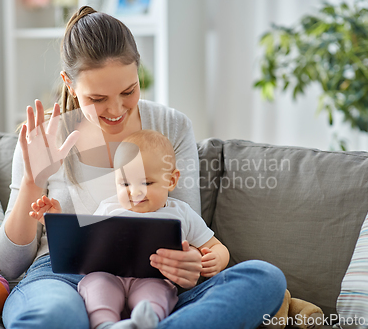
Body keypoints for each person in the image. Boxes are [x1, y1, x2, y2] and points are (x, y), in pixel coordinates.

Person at [0, 5, 287, 329]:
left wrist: (192, 264)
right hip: (64, 275)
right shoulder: (44, 138)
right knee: (53, 317)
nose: (116, 109)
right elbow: (10, 264)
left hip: (156, 280)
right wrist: (34, 183)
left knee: (265, 278)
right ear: (70, 83)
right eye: (98, 98)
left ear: (138, 71)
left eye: (128, 90)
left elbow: (184, 225)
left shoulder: (170, 126)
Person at [29, 130, 230, 329]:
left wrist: (216, 260)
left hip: (153, 279)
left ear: (171, 180)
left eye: (147, 182)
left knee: (155, 294)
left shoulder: (182, 212)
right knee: (97, 286)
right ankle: (105, 324)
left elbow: (216, 246)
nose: (135, 192)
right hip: (108, 276)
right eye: (125, 183)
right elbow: (82, 244)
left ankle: (146, 322)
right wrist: (55, 220)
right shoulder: (108, 208)